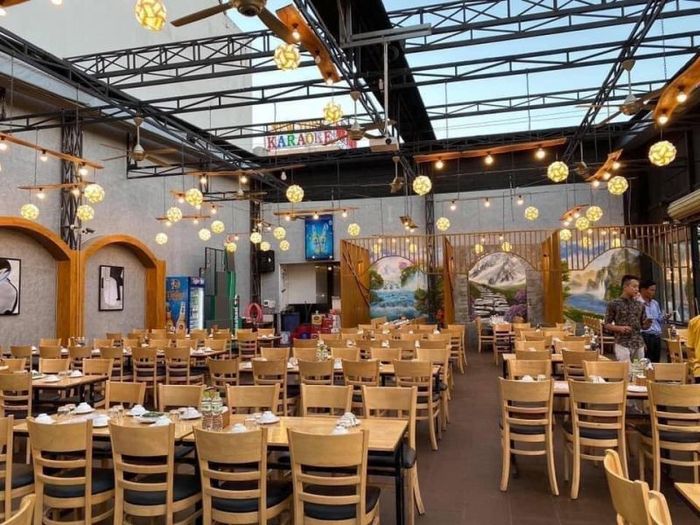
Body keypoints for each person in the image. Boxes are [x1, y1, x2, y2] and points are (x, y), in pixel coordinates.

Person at [604, 274, 650, 362]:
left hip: (638, 344)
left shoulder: (640, 305)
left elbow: (643, 326)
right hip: (622, 344)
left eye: (638, 287)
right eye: (634, 286)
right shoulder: (614, 304)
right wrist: (619, 328)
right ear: (625, 287)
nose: (637, 289)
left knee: (638, 369)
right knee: (626, 370)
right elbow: (607, 324)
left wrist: (648, 323)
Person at [638, 279, 669, 362]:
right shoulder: (637, 303)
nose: (653, 292)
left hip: (656, 335)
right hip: (644, 335)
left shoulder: (655, 303)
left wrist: (665, 317)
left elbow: (659, 319)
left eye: (654, 290)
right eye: (651, 290)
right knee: (644, 362)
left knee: (655, 362)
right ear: (643, 290)